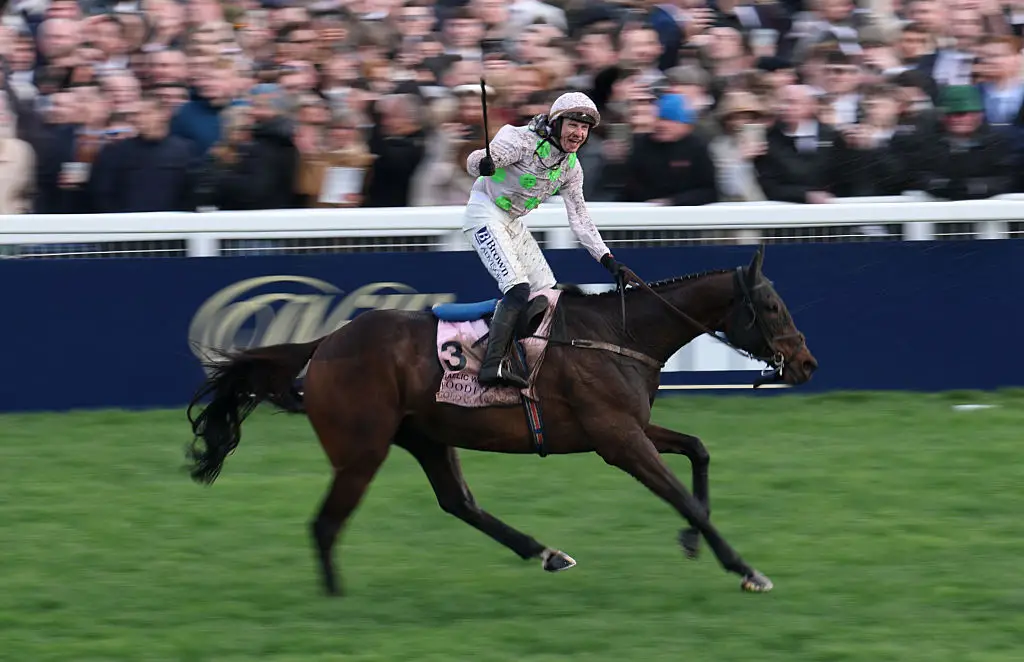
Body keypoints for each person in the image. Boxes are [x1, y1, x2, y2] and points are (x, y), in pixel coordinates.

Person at [464, 91, 630, 389]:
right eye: (573, 125)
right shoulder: (521, 141)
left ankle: (524, 355)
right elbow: (476, 159)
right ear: (556, 123)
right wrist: (484, 165)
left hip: (512, 221)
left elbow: (579, 218)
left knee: (546, 294)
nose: (579, 134)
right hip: (485, 213)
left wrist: (608, 260)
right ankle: (492, 365)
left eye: (585, 128)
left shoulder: (571, 167)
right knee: (517, 289)